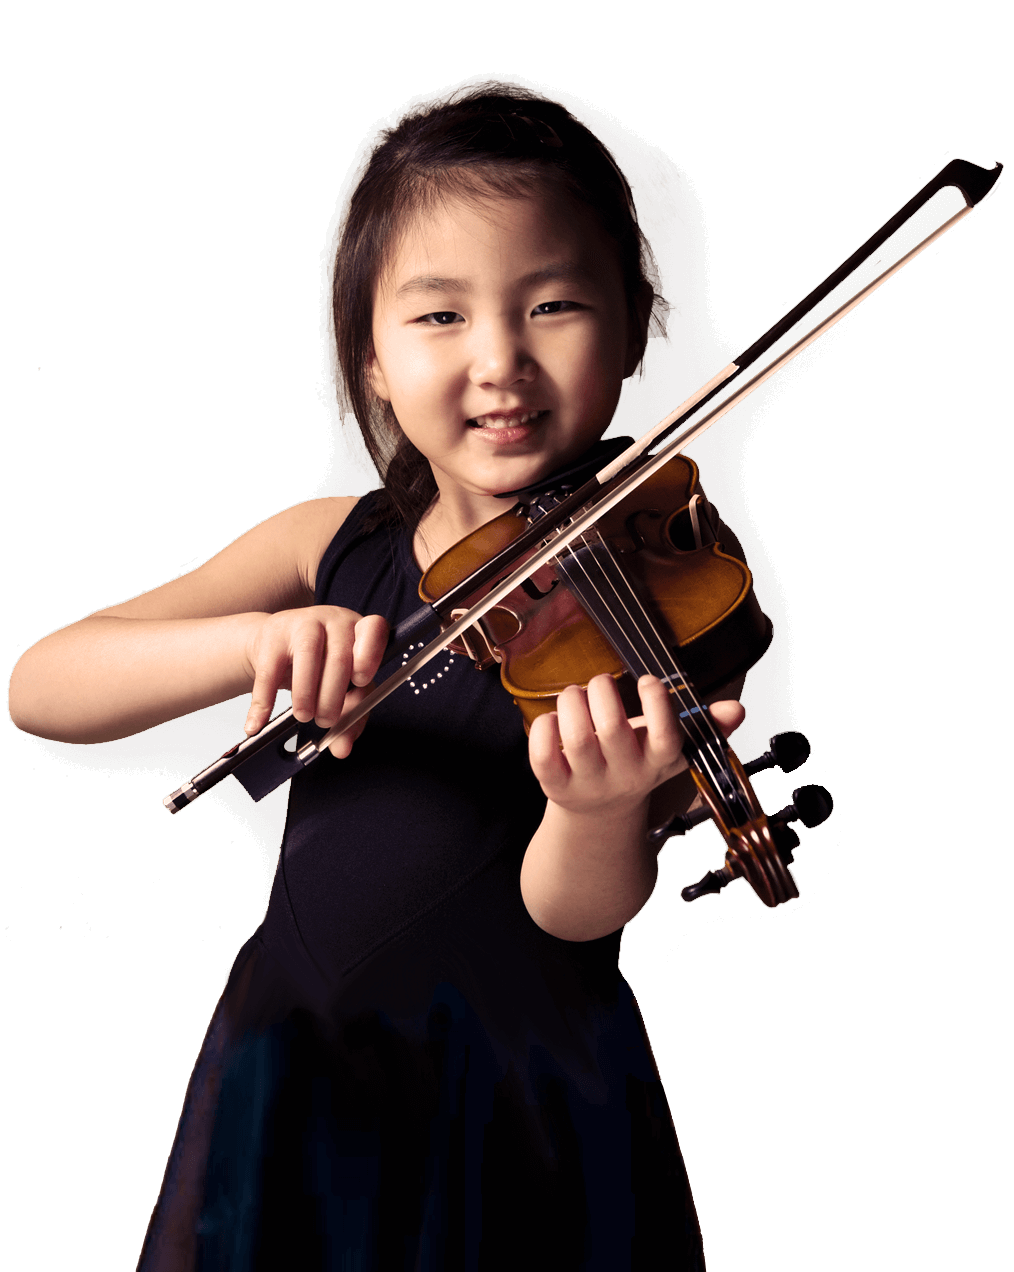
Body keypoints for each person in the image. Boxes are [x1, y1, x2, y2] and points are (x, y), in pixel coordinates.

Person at [10, 89, 751, 1269]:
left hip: (520, 1091)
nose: (500, 360)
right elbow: (42, 684)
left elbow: (576, 917)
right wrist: (249, 644)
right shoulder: (326, 546)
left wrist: (596, 811)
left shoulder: (654, 587)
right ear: (373, 356)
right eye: (441, 315)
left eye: (553, 304)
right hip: (296, 1054)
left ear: (629, 326)